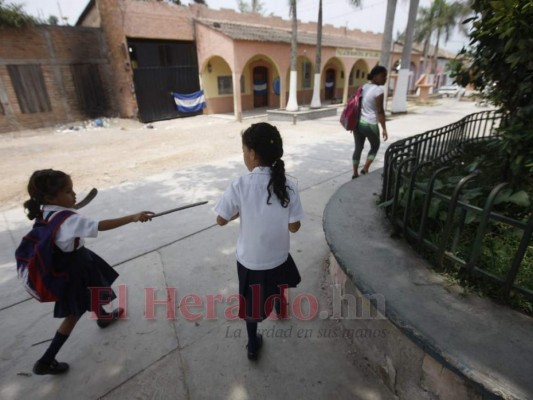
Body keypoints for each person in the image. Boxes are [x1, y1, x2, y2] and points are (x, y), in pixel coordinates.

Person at [23, 169, 154, 375]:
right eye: (68, 192)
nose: (74, 195)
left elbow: (68, 215)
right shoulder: (68, 220)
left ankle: (102, 317)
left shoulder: (46, 210)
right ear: (50, 197)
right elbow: (99, 226)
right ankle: (46, 360)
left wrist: (67, 204)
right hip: (75, 268)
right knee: (74, 314)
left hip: (73, 262)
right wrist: (133, 217)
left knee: (96, 288)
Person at [214, 122, 304, 361]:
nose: (244, 155)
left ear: (252, 153)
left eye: (244, 150)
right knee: (279, 279)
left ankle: (252, 342)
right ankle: (280, 306)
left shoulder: (239, 185)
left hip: (250, 261)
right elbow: (294, 227)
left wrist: (240, 211)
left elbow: (220, 220)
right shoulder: (289, 186)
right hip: (278, 256)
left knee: (251, 304)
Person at [352, 65, 389, 179]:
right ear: (375, 76)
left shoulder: (363, 87)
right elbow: (380, 111)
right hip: (370, 123)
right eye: (383, 76)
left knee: (358, 147)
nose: (385, 79)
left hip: (358, 123)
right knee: (375, 146)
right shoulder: (378, 90)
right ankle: (365, 169)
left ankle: (354, 173)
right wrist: (384, 128)